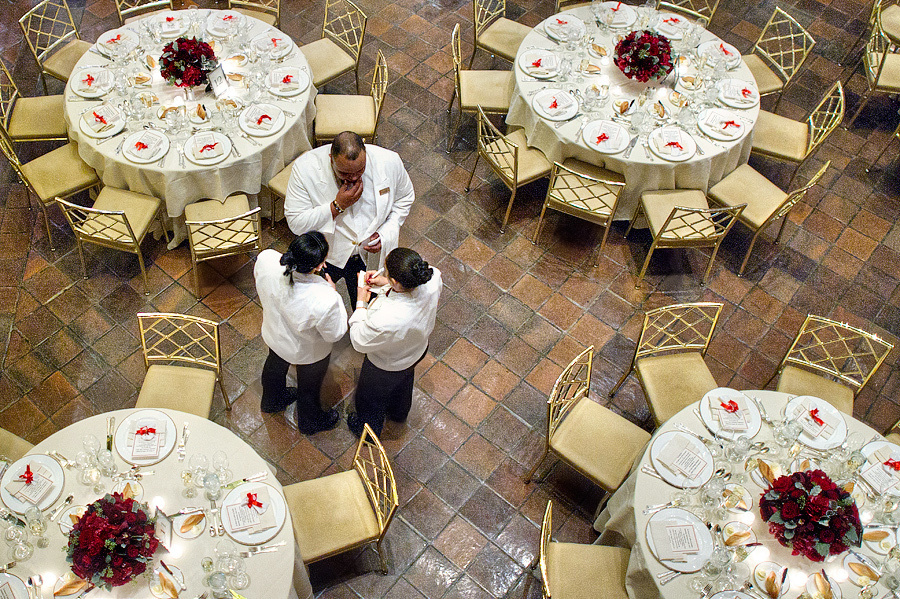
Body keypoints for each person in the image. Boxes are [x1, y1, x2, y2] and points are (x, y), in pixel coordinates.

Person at [283, 131, 415, 306]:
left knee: (366, 305)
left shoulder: (389, 161)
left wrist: (386, 233)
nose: (353, 178)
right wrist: (336, 207)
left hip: (367, 258)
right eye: (344, 173)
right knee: (318, 304)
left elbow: (405, 198)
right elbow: (296, 222)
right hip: (328, 256)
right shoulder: (304, 169)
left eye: (360, 170)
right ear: (331, 158)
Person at [254, 232, 347, 434]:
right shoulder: (324, 298)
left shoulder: (266, 259)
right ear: (319, 266)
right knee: (309, 386)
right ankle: (309, 422)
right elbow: (335, 333)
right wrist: (333, 291)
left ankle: (271, 401)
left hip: (274, 334)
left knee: (274, 367)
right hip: (306, 352)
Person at [347, 247, 442, 437]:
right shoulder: (433, 278)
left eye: (386, 272)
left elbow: (359, 340)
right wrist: (384, 282)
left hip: (386, 365)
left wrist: (361, 303)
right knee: (404, 382)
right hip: (416, 350)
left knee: (370, 400)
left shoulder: (387, 316)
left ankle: (367, 432)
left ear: (396, 282)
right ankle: (398, 413)